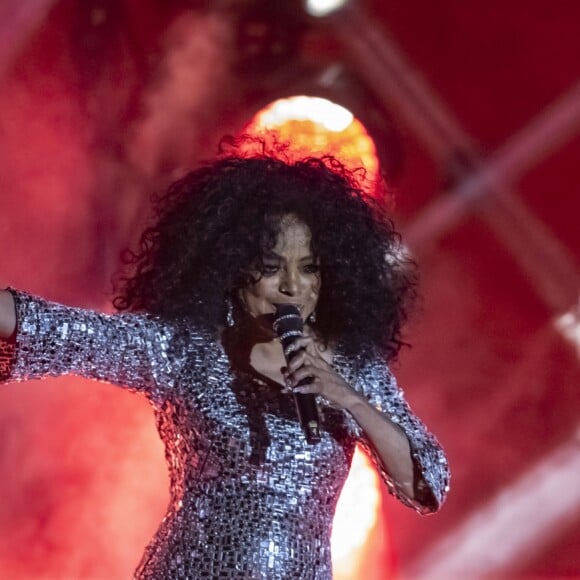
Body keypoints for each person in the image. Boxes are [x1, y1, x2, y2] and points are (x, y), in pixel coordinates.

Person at [0, 141, 449, 579]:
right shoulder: (186, 351)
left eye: (309, 268)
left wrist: (346, 397)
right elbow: (59, 329)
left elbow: (426, 484)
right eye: (272, 268)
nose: (293, 286)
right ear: (232, 270)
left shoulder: (354, 368)